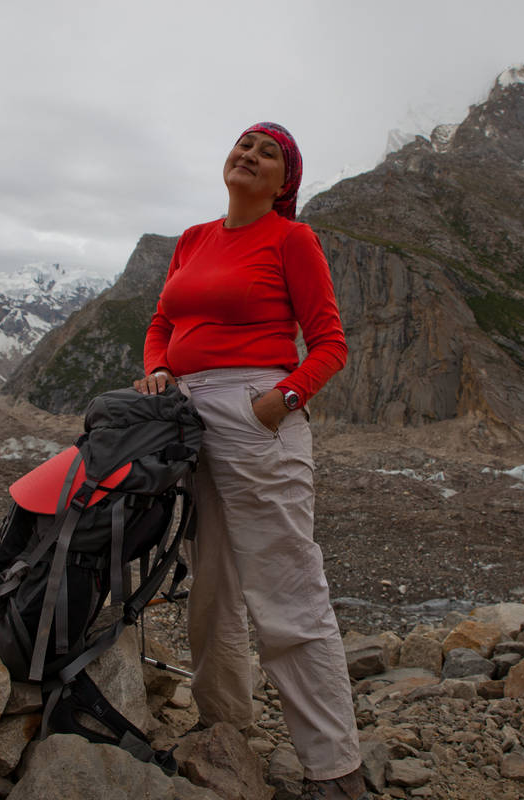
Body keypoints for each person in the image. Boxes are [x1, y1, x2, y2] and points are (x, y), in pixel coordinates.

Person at [134, 122, 368, 800]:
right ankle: (223, 729)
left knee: (286, 587)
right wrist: (155, 368)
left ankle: (334, 767)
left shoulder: (293, 239)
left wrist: (281, 399)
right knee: (210, 584)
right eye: (244, 143)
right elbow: (161, 322)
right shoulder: (193, 239)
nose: (251, 154)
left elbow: (329, 342)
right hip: (181, 413)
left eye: (269, 153)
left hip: (254, 411)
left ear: (284, 182)